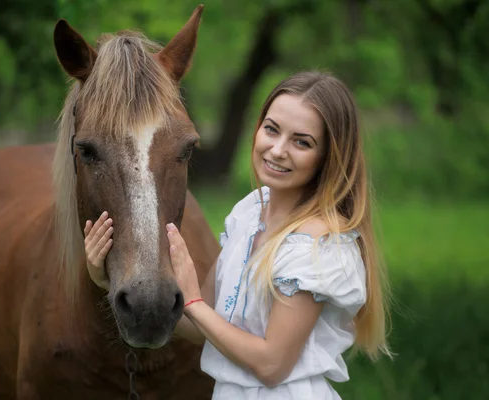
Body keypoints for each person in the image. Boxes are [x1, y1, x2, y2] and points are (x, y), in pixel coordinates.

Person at [83, 71, 391, 399]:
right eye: (271, 129)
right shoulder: (250, 214)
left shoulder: (316, 246)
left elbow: (272, 365)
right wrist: (107, 281)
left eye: (302, 142)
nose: (278, 149)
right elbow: (203, 328)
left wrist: (194, 301)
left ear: (329, 157)